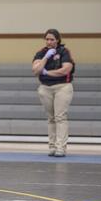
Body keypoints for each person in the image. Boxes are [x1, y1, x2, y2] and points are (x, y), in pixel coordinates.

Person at [32, 29, 75, 157]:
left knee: (60, 117)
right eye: (47, 39)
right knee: (51, 118)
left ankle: (60, 147)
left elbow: (65, 70)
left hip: (62, 87)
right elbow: (35, 70)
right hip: (45, 88)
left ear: (57, 40)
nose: (49, 42)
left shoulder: (64, 52)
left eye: (52, 39)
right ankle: (52, 146)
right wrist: (46, 57)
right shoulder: (41, 53)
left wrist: (47, 72)